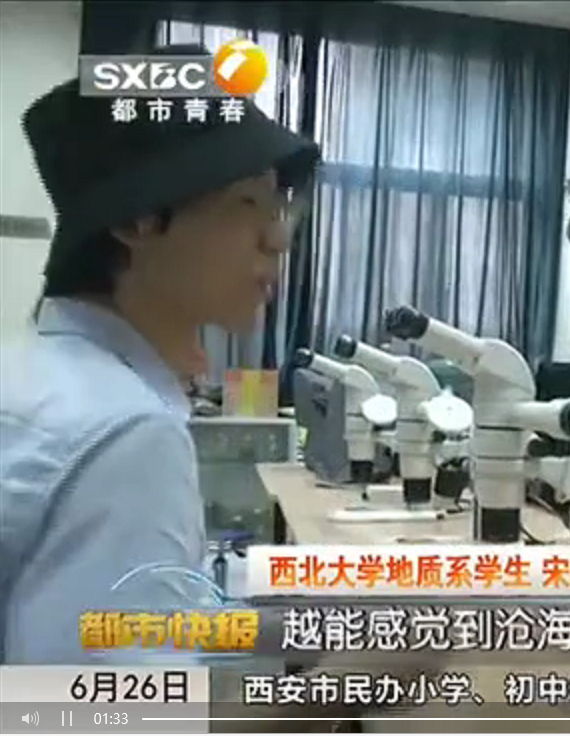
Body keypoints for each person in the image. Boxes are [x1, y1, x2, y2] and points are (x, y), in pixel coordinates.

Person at [0, 44, 439, 726]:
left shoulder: (52, 377)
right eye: (247, 202)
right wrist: (358, 681)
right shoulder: (123, 433)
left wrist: (312, 626)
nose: (277, 240)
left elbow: (143, 621)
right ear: (137, 219)